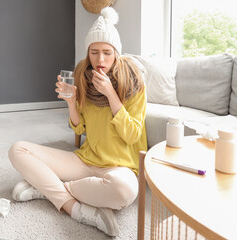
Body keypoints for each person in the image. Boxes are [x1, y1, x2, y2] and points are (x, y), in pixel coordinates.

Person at [8, 7, 147, 237]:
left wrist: (111, 95)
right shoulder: (84, 77)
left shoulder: (133, 83)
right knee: (18, 150)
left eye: (106, 52)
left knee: (124, 191)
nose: (100, 60)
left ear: (116, 53)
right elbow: (79, 127)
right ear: (87, 52)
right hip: (84, 162)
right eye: (94, 52)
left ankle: (47, 189)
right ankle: (73, 207)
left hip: (120, 166)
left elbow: (132, 135)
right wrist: (71, 102)